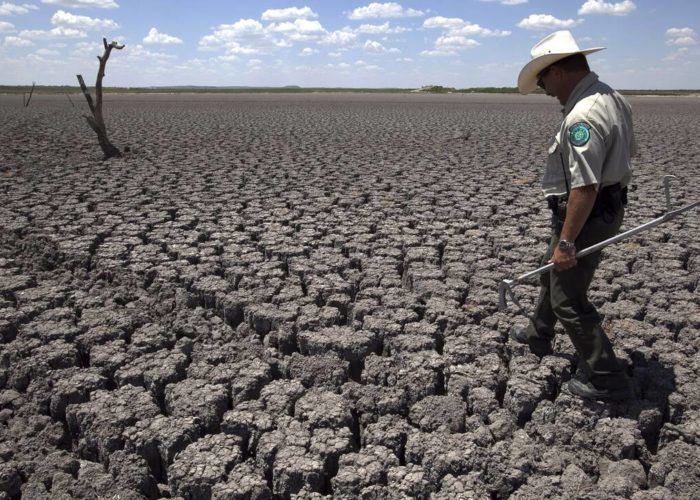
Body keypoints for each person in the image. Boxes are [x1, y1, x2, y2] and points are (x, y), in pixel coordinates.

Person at [511, 30, 636, 401]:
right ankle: (538, 333)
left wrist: (567, 241)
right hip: (600, 208)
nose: (545, 89)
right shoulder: (611, 96)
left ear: (560, 72)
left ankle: (606, 377)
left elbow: (585, 186)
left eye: (545, 79)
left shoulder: (583, 116)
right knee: (552, 270)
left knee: (568, 297)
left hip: (587, 214)